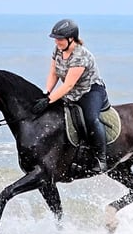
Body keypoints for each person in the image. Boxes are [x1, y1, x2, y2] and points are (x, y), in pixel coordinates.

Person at [32, 18, 109, 174]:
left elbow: (68, 85)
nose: (56, 42)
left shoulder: (80, 56)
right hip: (71, 92)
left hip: (90, 91)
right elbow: (53, 73)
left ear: (71, 38)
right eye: (55, 39)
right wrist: (46, 92)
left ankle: (101, 159)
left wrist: (49, 100)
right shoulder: (58, 50)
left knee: (90, 119)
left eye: (59, 39)